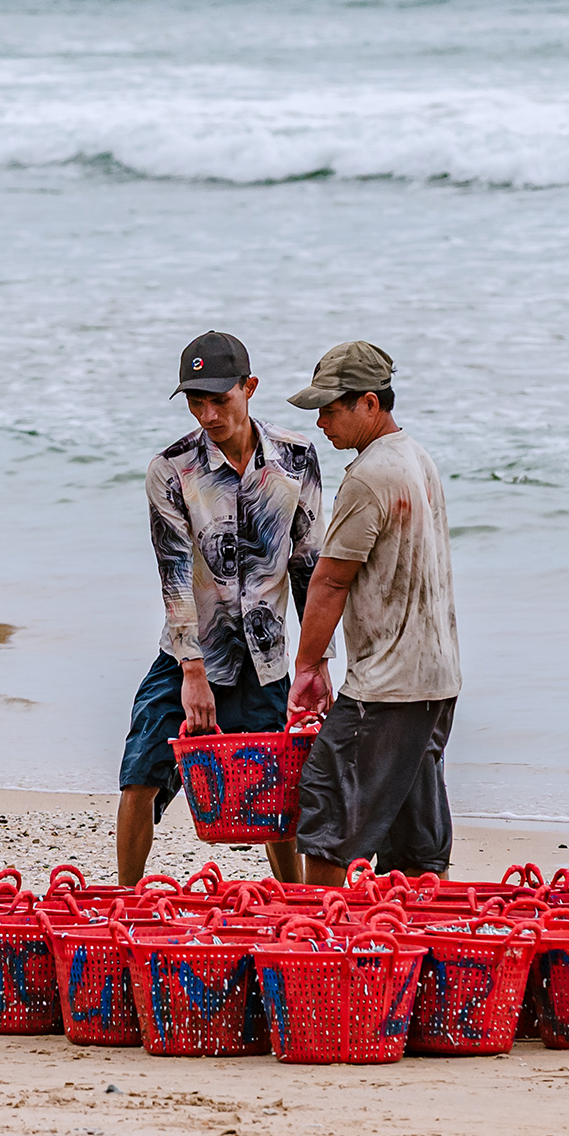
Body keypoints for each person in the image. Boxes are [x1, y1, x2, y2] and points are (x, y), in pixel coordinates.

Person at [117, 332, 328, 887]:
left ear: (249, 388)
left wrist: (315, 662)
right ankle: (127, 905)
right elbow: (175, 575)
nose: (208, 414)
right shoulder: (171, 469)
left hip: (267, 657)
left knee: (278, 797)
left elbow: (309, 568)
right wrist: (192, 673)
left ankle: (296, 907)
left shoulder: (297, 459)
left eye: (220, 399)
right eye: (195, 400)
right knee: (140, 771)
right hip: (188, 652)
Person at [285, 343, 461, 885]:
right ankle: (413, 945)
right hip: (437, 677)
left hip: (386, 685)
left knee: (328, 812)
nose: (320, 422)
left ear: (369, 403)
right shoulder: (417, 458)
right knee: (415, 841)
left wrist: (309, 666)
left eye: (331, 409)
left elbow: (332, 578)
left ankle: (318, 939)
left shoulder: (367, 478)